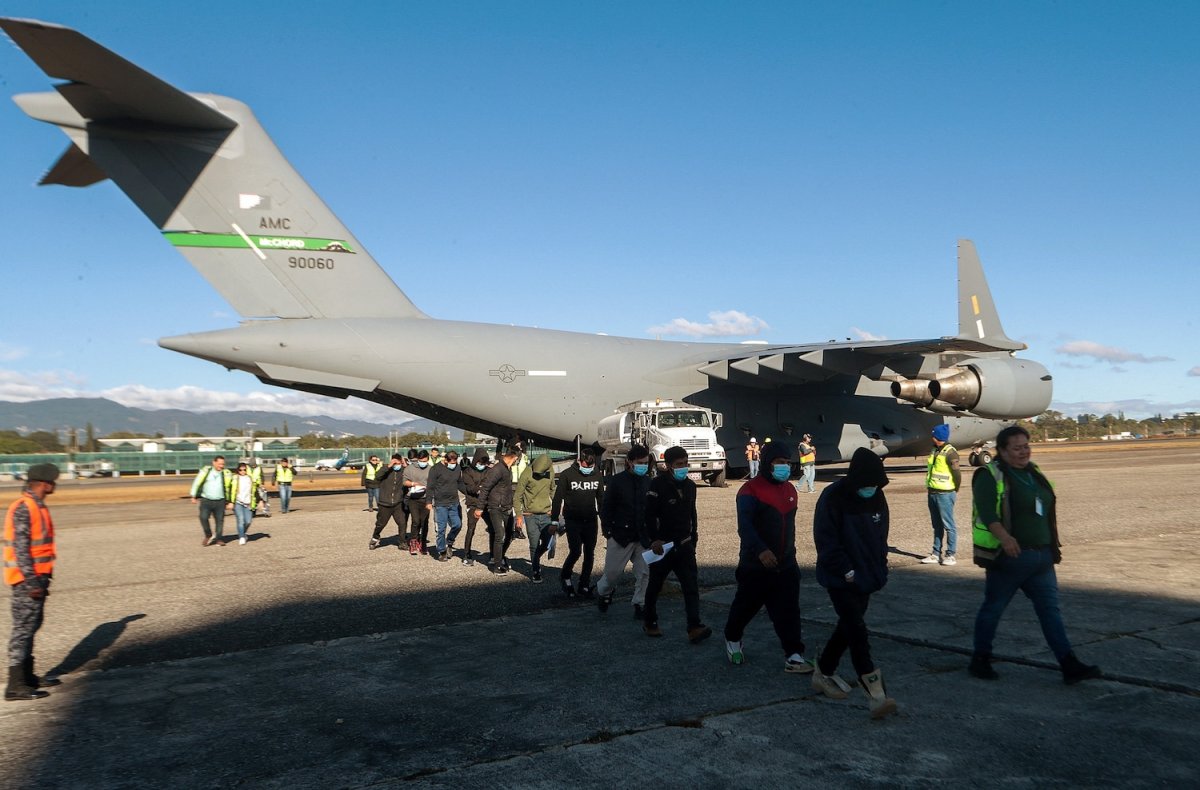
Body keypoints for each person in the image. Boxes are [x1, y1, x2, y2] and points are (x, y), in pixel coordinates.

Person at [969, 426, 1101, 685]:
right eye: (1017, 448)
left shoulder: (1033, 473)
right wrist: (1006, 539)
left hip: (1041, 559)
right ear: (1002, 451)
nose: (1023, 452)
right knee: (993, 609)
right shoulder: (989, 475)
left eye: (1026, 446)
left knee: (1050, 612)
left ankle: (1069, 664)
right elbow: (987, 513)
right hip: (1010, 559)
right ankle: (980, 658)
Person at [811, 448, 898, 719]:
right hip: (840, 577)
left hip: (868, 575)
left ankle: (823, 671)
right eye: (867, 484)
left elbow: (880, 536)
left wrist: (880, 567)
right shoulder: (833, 497)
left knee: (847, 627)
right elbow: (826, 541)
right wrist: (847, 571)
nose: (871, 489)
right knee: (857, 631)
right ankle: (875, 693)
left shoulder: (877, 496)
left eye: (876, 485)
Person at [723, 442, 812, 674]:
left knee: (789, 610)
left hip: (786, 564)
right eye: (778, 463)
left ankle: (794, 655)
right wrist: (761, 550)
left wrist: (789, 555)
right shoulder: (749, 490)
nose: (783, 467)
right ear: (767, 463)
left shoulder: (791, 490)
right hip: (756, 564)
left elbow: (788, 528)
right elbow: (745, 526)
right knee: (745, 607)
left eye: (786, 462)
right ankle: (732, 638)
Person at [641, 446, 710, 643]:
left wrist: (694, 537)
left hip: (685, 544)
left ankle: (694, 626)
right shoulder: (657, 485)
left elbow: (692, 514)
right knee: (655, 585)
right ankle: (650, 621)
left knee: (690, 586)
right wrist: (653, 539)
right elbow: (649, 515)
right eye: (680, 464)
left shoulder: (690, 485)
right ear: (669, 465)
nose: (684, 468)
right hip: (663, 546)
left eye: (686, 464)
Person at [4, 463, 61, 701]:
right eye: (53, 481)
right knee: (22, 630)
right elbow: (21, 548)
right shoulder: (24, 508)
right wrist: (31, 582)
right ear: (44, 483)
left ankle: (27, 677)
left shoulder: (37, 506)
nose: (55, 484)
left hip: (38, 578)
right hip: (27, 581)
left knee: (31, 626)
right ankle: (15, 686)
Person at [596, 445, 653, 619]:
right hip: (620, 535)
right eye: (639, 463)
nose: (643, 466)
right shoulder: (617, 481)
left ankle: (640, 604)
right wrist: (608, 531)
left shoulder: (648, 482)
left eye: (645, 463)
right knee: (612, 573)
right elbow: (606, 507)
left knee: (644, 573)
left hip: (643, 537)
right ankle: (604, 592)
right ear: (629, 462)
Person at [551, 448, 604, 595]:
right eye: (586, 466)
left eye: (591, 467)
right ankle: (565, 576)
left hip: (591, 520)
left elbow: (601, 500)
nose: (588, 469)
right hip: (573, 520)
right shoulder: (567, 475)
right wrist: (554, 521)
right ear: (579, 461)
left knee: (589, 552)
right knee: (575, 551)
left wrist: (605, 522)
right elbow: (557, 499)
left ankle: (584, 584)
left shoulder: (597, 474)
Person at [921, 424, 961, 565]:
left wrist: (955, 489)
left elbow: (957, 474)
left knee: (949, 525)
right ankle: (935, 554)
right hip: (932, 492)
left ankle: (950, 555)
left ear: (938, 437)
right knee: (936, 525)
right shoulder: (934, 450)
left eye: (933, 435)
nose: (931, 437)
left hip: (945, 493)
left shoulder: (951, 453)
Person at [514, 453, 557, 583]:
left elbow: (553, 490)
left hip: (546, 514)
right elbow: (517, 496)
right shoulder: (526, 473)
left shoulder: (550, 472)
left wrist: (557, 508)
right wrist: (519, 515)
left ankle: (535, 558)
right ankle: (536, 570)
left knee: (546, 542)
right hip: (530, 515)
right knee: (533, 543)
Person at [477, 447, 519, 574]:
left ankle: (500, 557)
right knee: (499, 535)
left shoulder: (507, 468)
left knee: (510, 534)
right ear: (515, 457)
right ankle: (496, 565)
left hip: (506, 506)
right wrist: (479, 507)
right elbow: (485, 488)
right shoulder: (497, 469)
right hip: (496, 507)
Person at [427, 451, 463, 561]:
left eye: (455, 462)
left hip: (454, 503)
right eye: (451, 462)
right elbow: (430, 486)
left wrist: (470, 494)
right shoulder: (435, 469)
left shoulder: (457, 468)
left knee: (457, 525)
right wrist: (428, 501)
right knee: (441, 529)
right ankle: (442, 551)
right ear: (445, 460)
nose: (453, 464)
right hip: (440, 504)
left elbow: (460, 483)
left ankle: (450, 542)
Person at [458, 448, 491, 566]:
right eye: (480, 462)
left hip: (487, 503)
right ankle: (467, 554)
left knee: (492, 529)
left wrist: (482, 488)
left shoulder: (488, 470)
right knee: (471, 529)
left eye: (484, 463)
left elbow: (490, 483)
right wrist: (481, 488)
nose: (482, 465)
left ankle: (493, 554)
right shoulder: (467, 471)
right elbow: (470, 488)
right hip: (473, 503)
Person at [189, 455, 232, 547]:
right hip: (206, 500)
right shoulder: (206, 471)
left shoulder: (226, 473)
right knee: (203, 517)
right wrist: (193, 495)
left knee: (219, 521)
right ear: (214, 462)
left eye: (223, 464)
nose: (221, 466)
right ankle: (208, 535)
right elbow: (197, 482)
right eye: (219, 464)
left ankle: (219, 539)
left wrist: (230, 502)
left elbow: (230, 488)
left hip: (220, 501)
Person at [369, 454, 408, 550]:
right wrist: (389, 466)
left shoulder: (403, 470)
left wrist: (404, 463)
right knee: (381, 524)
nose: (397, 465)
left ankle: (402, 542)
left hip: (398, 503)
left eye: (398, 463)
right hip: (385, 503)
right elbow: (377, 476)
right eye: (395, 463)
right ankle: (375, 537)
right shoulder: (386, 470)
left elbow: (410, 473)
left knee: (402, 522)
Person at [402, 450, 433, 555]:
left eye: (424, 461)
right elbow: (404, 481)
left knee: (424, 522)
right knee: (416, 521)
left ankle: (423, 542)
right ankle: (413, 542)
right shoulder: (410, 468)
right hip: (413, 498)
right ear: (417, 459)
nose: (422, 463)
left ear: (428, 459)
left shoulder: (431, 469)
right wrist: (413, 484)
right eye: (420, 461)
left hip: (426, 499)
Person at [228, 462, 260, 545]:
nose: (242, 471)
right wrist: (230, 502)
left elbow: (255, 490)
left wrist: (260, 500)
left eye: (244, 470)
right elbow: (230, 490)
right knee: (241, 520)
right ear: (238, 470)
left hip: (248, 503)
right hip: (238, 502)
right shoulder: (235, 478)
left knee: (248, 521)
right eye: (240, 470)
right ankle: (241, 537)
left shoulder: (250, 478)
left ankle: (243, 532)